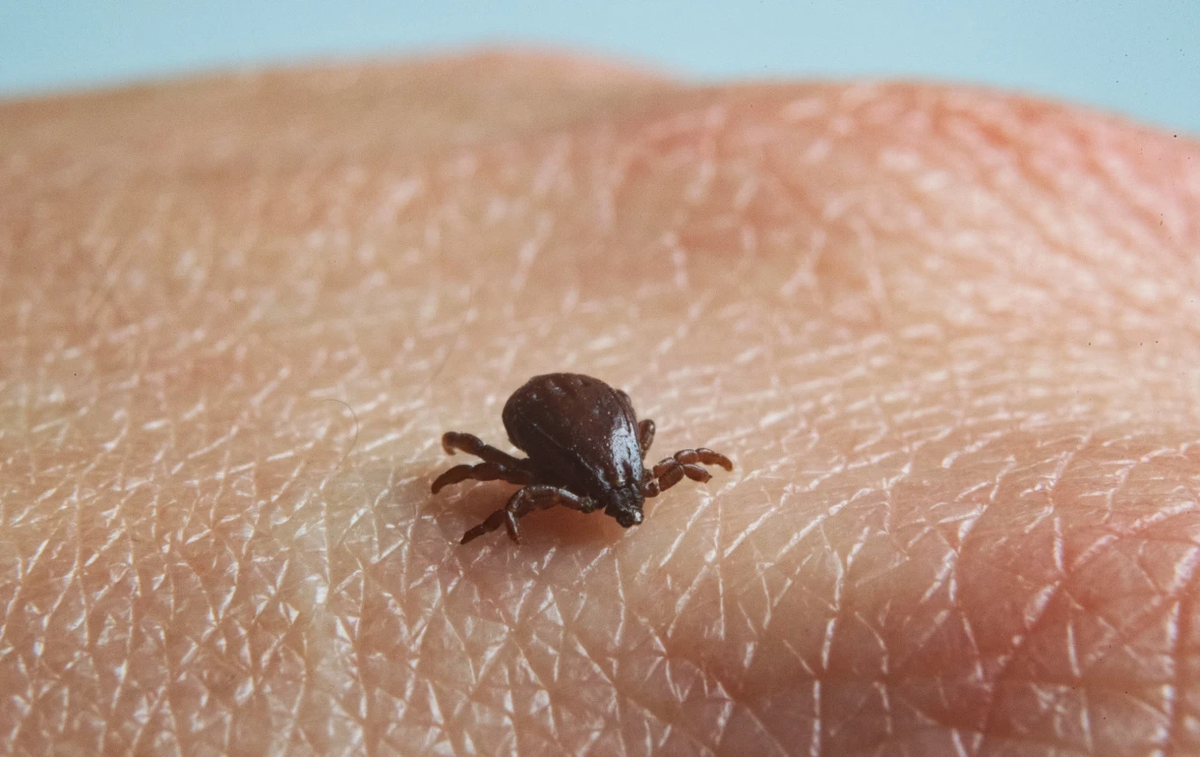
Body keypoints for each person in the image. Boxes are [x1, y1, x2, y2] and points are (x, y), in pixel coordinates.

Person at [3, 51, 1198, 755]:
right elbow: (516, 472)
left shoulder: (602, 468)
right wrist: (503, 512)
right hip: (569, 416)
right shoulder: (567, 471)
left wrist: (608, 479)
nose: (631, 508)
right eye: (629, 490)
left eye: (634, 486)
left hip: (575, 417)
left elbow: (569, 465)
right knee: (504, 488)